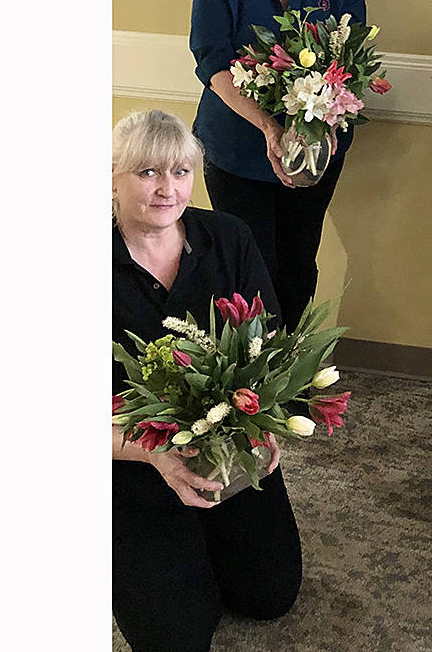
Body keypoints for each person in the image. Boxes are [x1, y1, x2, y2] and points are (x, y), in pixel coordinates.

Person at [112, 109, 302, 652]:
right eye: (147, 173)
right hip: (131, 455)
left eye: (180, 172)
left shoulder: (228, 237)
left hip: (225, 447)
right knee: (175, 637)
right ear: (112, 176)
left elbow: (271, 344)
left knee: (269, 595)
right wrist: (154, 456)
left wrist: (264, 427)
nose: (167, 189)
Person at [190, 0, 366, 331]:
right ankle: (252, 376)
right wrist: (270, 128)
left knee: (297, 260)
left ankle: (288, 369)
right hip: (237, 147)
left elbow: (348, 65)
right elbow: (212, 60)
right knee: (248, 265)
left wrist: (317, 133)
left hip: (316, 148)